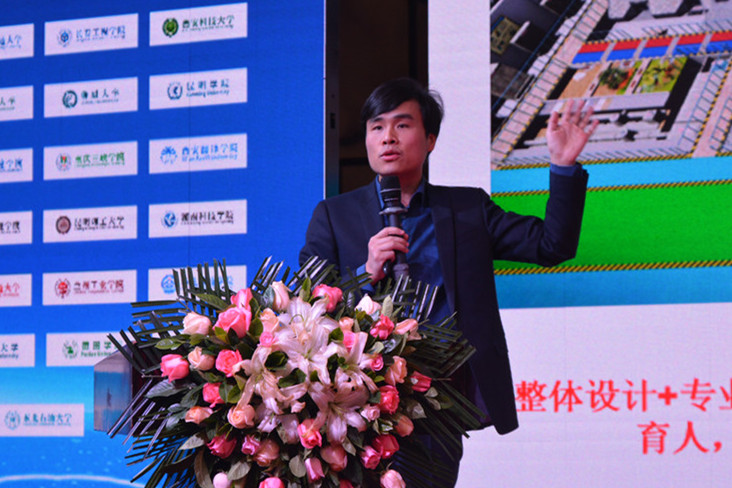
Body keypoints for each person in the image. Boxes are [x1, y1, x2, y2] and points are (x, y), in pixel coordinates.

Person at [299, 78, 597, 486]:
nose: (388, 137)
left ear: (430, 140)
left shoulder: (466, 208)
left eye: (402, 125)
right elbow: (307, 303)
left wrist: (562, 167)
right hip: (351, 407)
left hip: (434, 407)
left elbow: (552, 245)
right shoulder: (335, 215)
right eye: (376, 126)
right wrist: (365, 272)